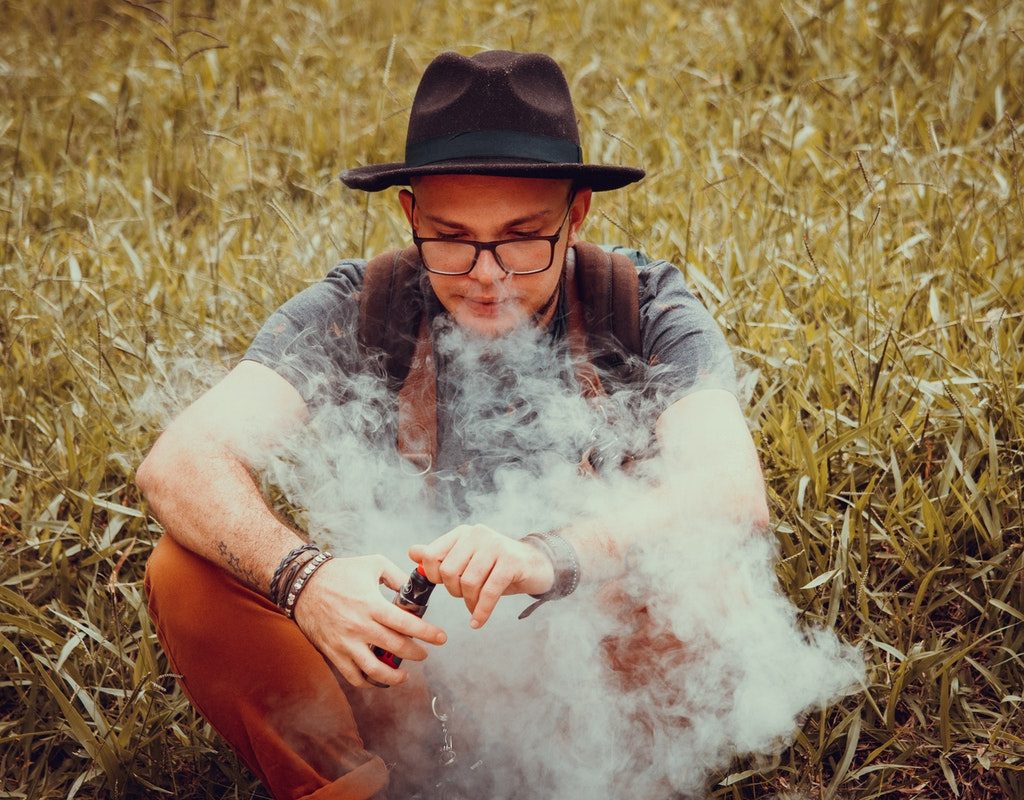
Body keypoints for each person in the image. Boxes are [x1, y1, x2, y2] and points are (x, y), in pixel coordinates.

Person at [138, 50, 769, 800]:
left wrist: (552, 555)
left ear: (577, 215)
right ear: (409, 215)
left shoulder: (641, 303)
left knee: (711, 580)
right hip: (410, 679)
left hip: (598, 684)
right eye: (451, 236)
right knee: (185, 571)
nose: (485, 273)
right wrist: (305, 578)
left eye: (522, 236)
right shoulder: (363, 302)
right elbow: (179, 461)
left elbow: (733, 496)